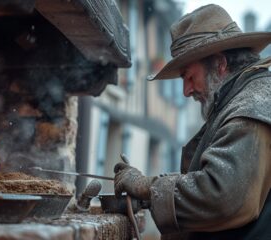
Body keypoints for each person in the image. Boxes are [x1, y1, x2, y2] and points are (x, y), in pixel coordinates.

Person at [114, 4, 271, 240]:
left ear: (220, 64)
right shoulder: (243, 98)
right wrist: (150, 188)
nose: (186, 91)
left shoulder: (250, 106)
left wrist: (148, 186)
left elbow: (222, 196)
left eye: (189, 76)